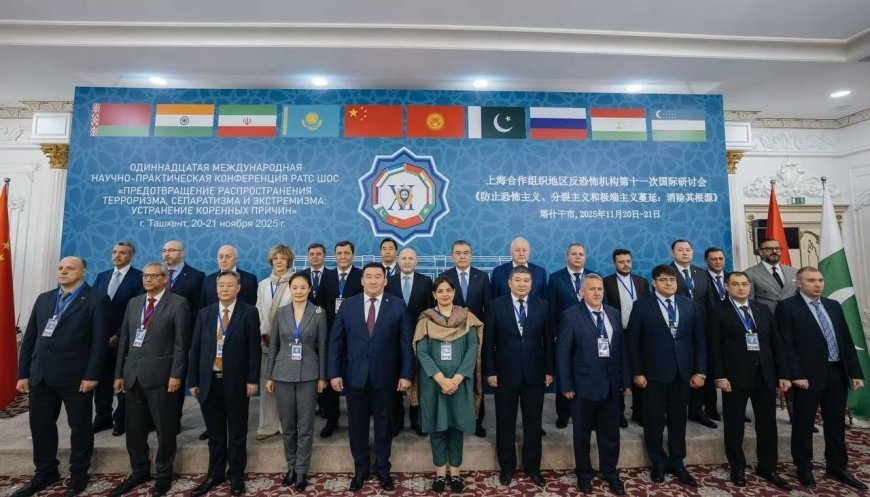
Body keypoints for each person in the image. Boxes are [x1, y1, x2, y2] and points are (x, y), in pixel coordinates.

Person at [13, 257, 110, 497]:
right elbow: (30, 338)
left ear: (83, 272)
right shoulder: (44, 299)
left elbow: (99, 342)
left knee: (80, 427)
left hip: (76, 378)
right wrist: (23, 373)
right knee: (41, 427)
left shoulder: (96, 299)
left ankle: (79, 474)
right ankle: (45, 472)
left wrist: (92, 375)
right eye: (60, 268)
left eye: (70, 268)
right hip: (41, 376)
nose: (63, 272)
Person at [776, 266, 866, 490]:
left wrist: (855, 372)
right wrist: (795, 374)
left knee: (836, 422)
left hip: (836, 372)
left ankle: (837, 465)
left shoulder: (833, 305)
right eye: (811, 280)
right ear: (799, 283)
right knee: (804, 423)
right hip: (806, 376)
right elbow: (786, 344)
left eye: (820, 280)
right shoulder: (787, 307)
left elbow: (846, 340)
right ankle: (803, 466)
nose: (817, 284)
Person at [328, 262, 414, 492]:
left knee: (384, 426)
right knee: (357, 426)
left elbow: (406, 343)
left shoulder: (397, 305)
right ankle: (361, 469)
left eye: (378, 276)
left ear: (385, 280)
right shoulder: (348, 305)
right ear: (362, 280)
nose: (373, 280)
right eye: (369, 276)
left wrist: (406, 374)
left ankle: (383, 469)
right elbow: (336, 341)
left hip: (386, 377)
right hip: (354, 377)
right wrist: (334, 373)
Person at [108, 263, 192, 497]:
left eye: (154, 276)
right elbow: (125, 341)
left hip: (162, 376)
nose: (148, 279)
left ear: (165, 279)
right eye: (145, 276)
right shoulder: (134, 303)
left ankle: (164, 474)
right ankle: (139, 470)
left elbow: (181, 344)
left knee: (165, 429)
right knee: (134, 429)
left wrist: (176, 374)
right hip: (133, 376)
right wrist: (119, 374)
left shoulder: (178, 303)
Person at [707, 271, 791, 490]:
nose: (741, 288)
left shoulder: (762, 309)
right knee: (734, 425)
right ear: (727, 287)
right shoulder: (717, 311)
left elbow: (775, 343)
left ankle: (768, 467)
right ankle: (737, 467)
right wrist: (720, 376)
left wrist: (782, 374)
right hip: (734, 377)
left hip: (765, 375)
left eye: (744, 284)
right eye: (735, 284)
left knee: (767, 424)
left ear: (750, 286)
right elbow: (714, 347)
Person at [627, 264, 706, 487]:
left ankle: (677, 461)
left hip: (682, 373)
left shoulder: (689, 305)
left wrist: (700, 371)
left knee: (678, 419)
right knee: (653, 421)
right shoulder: (642, 306)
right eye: (663, 280)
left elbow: (699, 341)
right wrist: (637, 372)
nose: (669, 283)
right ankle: (658, 462)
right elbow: (632, 343)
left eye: (672, 280)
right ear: (654, 282)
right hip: (652, 375)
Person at [188, 271, 261, 497]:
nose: (224, 289)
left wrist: (252, 379)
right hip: (209, 382)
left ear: (238, 288)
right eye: (221, 285)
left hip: (237, 383)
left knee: (237, 434)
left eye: (229, 285)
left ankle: (236, 475)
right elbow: (195, 348)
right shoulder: (205, 313)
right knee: (215, 434)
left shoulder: (249, 312)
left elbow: (254, 349)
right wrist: (194, 380)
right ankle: (215, 473)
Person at [557, 274, 629, 495]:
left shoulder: (613, 313)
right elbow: (563, 354)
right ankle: (584, 474)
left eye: (600, 289)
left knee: (610, 434)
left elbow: (621, 350)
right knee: (582, 435)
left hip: (610, 386)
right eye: (592, 289)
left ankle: (610, 472)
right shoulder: (570, 316)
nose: (597, 293)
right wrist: (566, 385)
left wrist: (625, 379)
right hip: (582, 387)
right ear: (582, 292)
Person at [483, 266, 554, 487]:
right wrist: (490, 371)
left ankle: (533, 467)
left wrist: (549, 370)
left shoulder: (543, 305)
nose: (522, 284)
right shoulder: (496, 306)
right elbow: (488, 342)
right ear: (509, 282)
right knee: (505, 423)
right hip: (504, 374)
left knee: (533, 423)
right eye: (518, 280)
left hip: (534, 374)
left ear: (532, 284)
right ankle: (507, 468)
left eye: (526, 280)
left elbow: (549, 341)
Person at [414, 276, 483, 493]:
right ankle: (439, 473)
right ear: (434, 295)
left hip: (459, 384)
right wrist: (441, 379)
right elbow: (422, 352)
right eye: (440, 291)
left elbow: (472, 350)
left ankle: (455, 473)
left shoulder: (466, 318)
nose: (444, 294)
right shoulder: (426, 320)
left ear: (454, 292)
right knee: (437, 428)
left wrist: (457, 378)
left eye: (448, 290)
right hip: (434, 384)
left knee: (456, 427)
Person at [265, 273, 328, 492]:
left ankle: (302, 470)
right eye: (295, 287)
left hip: (309, 374)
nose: (299, 291)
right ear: (290, 289)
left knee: (306, 425)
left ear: (309, 289)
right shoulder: (281, 312)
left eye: (303, 287)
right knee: (289, 426)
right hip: (282, 374)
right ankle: (290, 467)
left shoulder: (319, 313)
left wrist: (322, 377)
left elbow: (323, 347)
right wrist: (269, 375)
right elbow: (273, 345)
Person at [745, 238, 801, 423]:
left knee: (792, 370)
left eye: (777, 248)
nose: (774, 251)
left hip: (792, 328)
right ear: (760, 252)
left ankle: (796, 416)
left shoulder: (793, 272)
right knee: (771, 372)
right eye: (769, 249)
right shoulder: (750, 274)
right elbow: (750, 304)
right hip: (768, 330)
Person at [438, 240, 491, 437]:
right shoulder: (444, 277)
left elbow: (488, 309)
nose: (462, 256)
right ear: (452, 256)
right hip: (451, 336)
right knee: (453, 376)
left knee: (475, 377)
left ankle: (477, 420)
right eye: (458, 253)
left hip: (475, 335)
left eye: (466, 252)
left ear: (471, 255)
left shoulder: (482, 277)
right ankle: (453, 418)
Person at [92, 241, 144, 436]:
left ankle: (121, 418)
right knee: (102, 379)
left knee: (123, 379)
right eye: (115, 252)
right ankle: (102, 416)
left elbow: (137, 311)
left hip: (125, 338)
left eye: (122, 252)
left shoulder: (139, 277)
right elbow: (94, 306)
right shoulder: (102, 276)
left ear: (131, 256)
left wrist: (119, 335)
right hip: (100, 338)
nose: (117, 255)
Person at [547, 243, 598, 429]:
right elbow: (551, 309)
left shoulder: (594, 277)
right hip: (565, 335)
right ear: (567, 257)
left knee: (590, 372)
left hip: (590, 335)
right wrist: (554, 334)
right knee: (565, 372)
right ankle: (563, 413)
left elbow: (602, 305)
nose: (578, 257)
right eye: (574, 254)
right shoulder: (555, 278)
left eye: (581, 254)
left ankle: (591, 414)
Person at [668, 239, 716, 429]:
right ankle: (674, 411)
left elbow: (709, 301)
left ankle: (697, 409)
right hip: (677, 329)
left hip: (700, 328)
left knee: (699, 366)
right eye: (680, 250)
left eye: (688, 249)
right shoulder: (667, 273)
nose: (685, 253)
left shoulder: (701, 273)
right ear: (673, 253)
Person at [386, 247, 434, 436]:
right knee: (394, 380)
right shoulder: (389, 282)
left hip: (419, 337)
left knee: (419, 380)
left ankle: (418, 421)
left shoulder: (426, 282)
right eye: (404, 258)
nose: (407, 261)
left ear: (417, 261)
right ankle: (396, 421)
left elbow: (430, 311)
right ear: (398, 261)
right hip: (394, 338)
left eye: (410, 258)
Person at [318, 240, 363, 438]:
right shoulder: (327, 276)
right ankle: (332, 419)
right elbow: (320, 304)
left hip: (355, 335)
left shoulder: (361, 275)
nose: (343, 257)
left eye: (346, 253)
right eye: (339, 253)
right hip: (331, 335)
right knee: (331, 376)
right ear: (334, 255)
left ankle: (357, 418)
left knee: (355, 376)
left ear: (353, 255)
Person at [602, 248, 649, 427]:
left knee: (639, 370)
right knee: (619, 372)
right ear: (614, 263)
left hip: (639, 334)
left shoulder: (642, 282)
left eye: (628, 261)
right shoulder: (606, 282)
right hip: (618, 333)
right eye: (621, 262)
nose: (626, 264)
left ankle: (639, 411)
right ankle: (619, 412)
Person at [254, 244, 294, 441]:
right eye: (276, 258)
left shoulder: (295, 281)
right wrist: (264, 332)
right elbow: (259, 309)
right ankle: (268, 425)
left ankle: (286, 424)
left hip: (288, 341)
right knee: (267, 384)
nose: (279, 261)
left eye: (283, 258)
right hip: (266, 341)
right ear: (271, 261)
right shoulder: (263, 284)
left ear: (288, 261)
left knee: (287, 386)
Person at [161, 240, 204, 311]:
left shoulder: (197, 276)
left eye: (171, 250)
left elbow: (198, 306)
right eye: (164, 251)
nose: (166, 254)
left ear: (182, 253)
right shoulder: (155, 274)